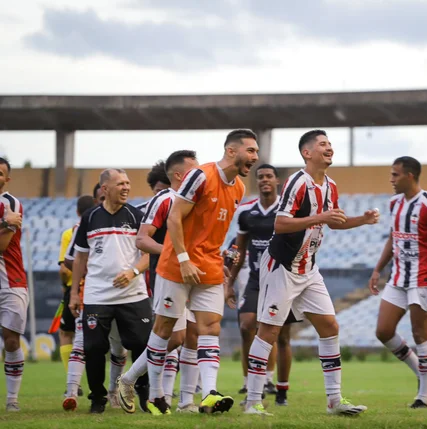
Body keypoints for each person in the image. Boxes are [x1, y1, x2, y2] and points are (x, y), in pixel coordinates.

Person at [118, 129, 259, 416]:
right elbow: (174, 217)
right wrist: (183, 258)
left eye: (257, 152)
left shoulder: (240, 188)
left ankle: (209, 393)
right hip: (177, 265)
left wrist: (221, 259)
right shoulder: (201, 176)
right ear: (231, 151)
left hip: (208, 267)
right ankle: (154, 394)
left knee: (209, 329)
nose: (255, 158)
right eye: (251, 151)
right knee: (166, 332)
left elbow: (212, 229)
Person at [243, 129, 379, 416]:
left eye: (330, 144)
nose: (329, 148)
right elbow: (280, 225)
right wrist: (319, 217)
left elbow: (334, 222)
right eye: (322, 144)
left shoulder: (330, 185)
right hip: (281, 267)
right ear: (307, 153)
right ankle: (253, 402)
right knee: (268, 331)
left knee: (330, 327)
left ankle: (334, 402)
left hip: (308, 268)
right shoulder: (297, 182)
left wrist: (361, 221)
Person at [117, 150, 202, 414]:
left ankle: (186, 401)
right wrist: (175, 252)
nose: (200, 174)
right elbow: (141, 240)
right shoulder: (164, 199)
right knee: (174, 337)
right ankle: (133, 381)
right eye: (193, 169)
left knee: (192, 336)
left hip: (194, 274)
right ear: (179, 175)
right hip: (167, 275)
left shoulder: (196, 200)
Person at [68, 168, 152, 414]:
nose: (126, 187)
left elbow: (148, 255)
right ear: (104, 189)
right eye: (120, 184)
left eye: (127, 183)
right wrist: (75, 293)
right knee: (93, 348)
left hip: (133, 294)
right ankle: (97, 398)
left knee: (141, 342)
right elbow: (80, 257)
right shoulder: (90, 217)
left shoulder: (137, 216)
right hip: (97, 295)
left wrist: (133, 272)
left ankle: (143, 393)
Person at [369, 156, 427, 409]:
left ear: (410, 176)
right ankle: (422, 371)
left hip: (423, 279)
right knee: (383, 331)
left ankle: (423, 397)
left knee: (420, 333)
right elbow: (393, 239)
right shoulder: (395, 203)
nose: (391, 180)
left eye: (395, 175)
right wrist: (377, 270)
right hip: (398, 277)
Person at [225, 164, 298, 406]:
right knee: (247, 326)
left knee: (283, 336)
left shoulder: (288, 211)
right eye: (260, 177)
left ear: (277, 181)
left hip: (283, 278)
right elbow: (240, 248)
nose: (265, 180)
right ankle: (250, 381)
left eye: (269, 176)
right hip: (256, 278)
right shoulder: (246, 213)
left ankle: (281, 389)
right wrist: (230, 281)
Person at [57, 195, 96, 396]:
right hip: (101, 289)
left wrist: (66, 288)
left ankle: (73, 384)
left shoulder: (69, 232)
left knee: (68, 334)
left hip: (77, 289)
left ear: (77, 211)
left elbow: (64, 268)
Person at [0, 157, 28, 412]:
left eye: (0, 173)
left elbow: (2, 245)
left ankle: (12, 400)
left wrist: (5, 225)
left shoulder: (10, 203)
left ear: (7, 179)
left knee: (10, 341)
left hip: (11, 281)